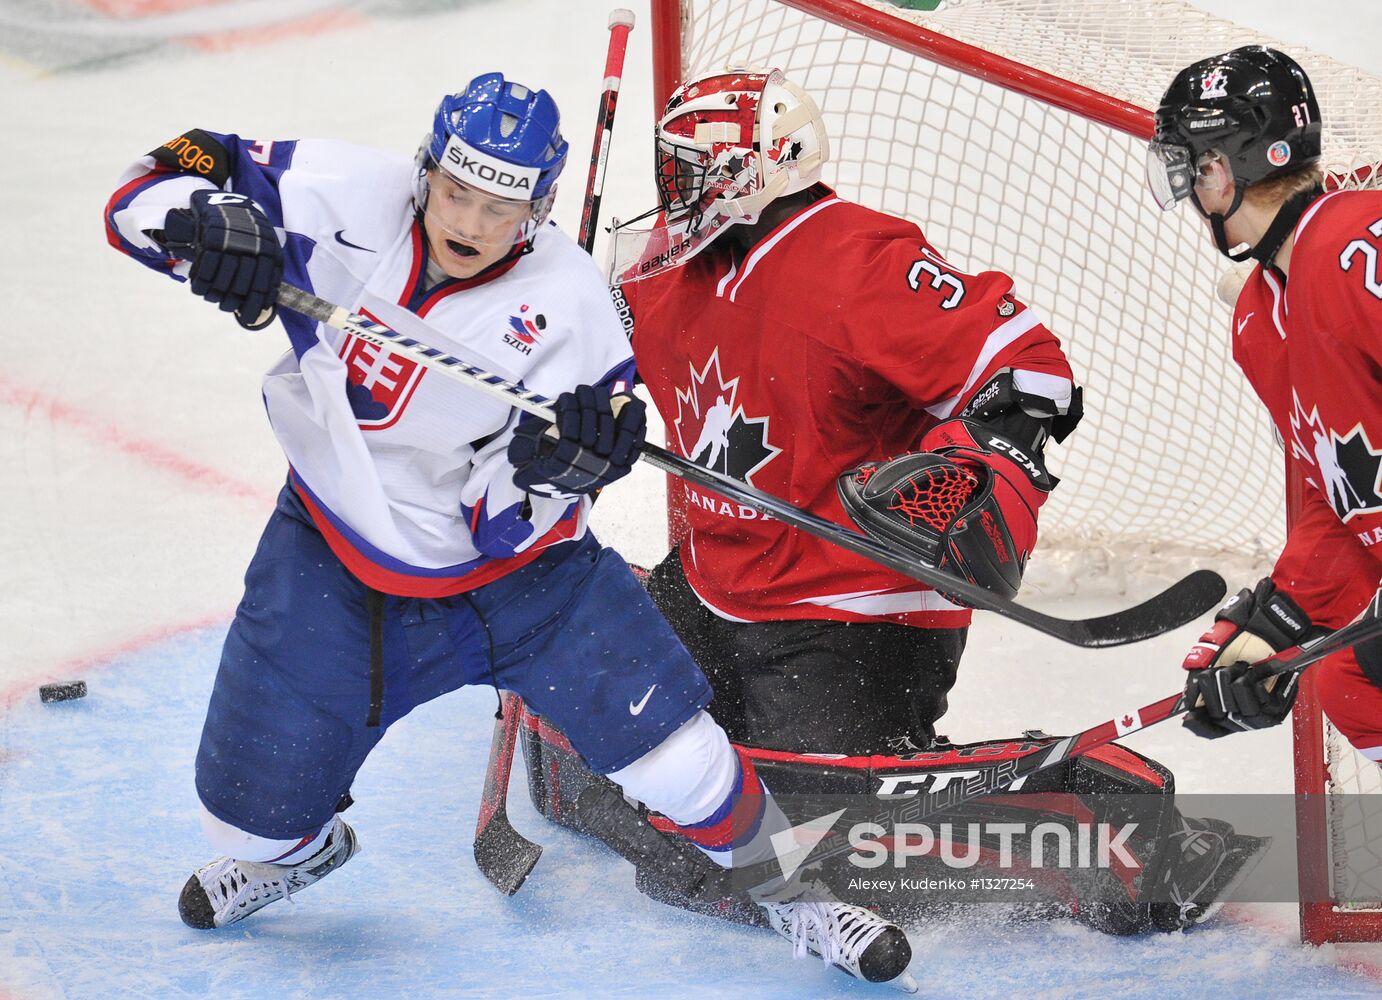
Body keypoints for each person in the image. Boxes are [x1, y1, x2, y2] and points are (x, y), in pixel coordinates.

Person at [102, 72, 918, 991]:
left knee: (681, 760)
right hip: (330, 557)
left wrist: (556, 470)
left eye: (502, 205)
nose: (472, 222)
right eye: (457, 191)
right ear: (427, 168)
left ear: (537, 207)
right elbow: (152, 183)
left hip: (527, 584)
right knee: (246, 822)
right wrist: (206, 225)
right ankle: (301, 852)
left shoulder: (570, 311)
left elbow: (506, 529)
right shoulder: (339, 193)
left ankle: (794, 895)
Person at [522, 66, 1264, 935]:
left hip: (852, 607)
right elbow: (574, 352)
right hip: (717, 579)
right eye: (669, 173)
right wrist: (560, 392)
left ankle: (1101, 820)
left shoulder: (855, 259)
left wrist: (978, 465)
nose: (673, 195)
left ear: (753, 169)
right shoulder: (662, 271)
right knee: (630, 756)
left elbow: (1029, 370)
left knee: (802, 860)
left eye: (690, 173)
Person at [1146, 47, 1382, 749]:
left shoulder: (1358, 244)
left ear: (1219, 172)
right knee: (1348, 679)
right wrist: (1278, 617)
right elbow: (1342, 492)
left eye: (1187, 168)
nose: (1187, 191)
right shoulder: (1258, 319)